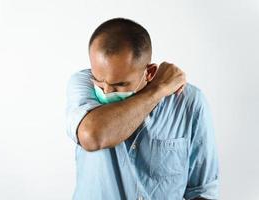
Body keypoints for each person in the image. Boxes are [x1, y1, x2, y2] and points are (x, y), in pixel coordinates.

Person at [65, 17, 219, 200]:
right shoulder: (82, 84)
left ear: (150, 73)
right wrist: (158, 90)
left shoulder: (189, 102)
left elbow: (202, 190)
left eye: (119, 85)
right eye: (99, 80)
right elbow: (92, 136)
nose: (105, 92)